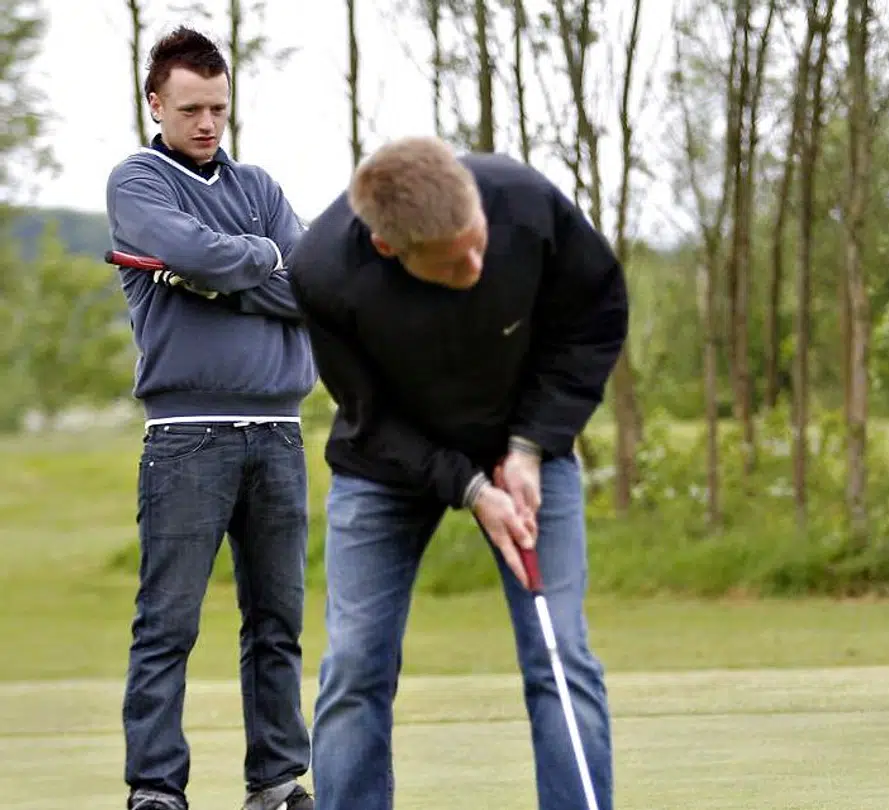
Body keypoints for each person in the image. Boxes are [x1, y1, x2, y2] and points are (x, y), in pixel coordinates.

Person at [285, 135, 627, 810]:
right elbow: (371, 418)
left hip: (524, 443)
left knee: (560, 655)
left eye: (480, 242)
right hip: (388, 461)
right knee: (355, 664)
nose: (479, 263)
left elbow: (594, 319)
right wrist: (471, 490)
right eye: (454, 262)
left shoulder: (525, 202)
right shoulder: (324, 271)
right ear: (390, 249)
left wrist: (531, 445)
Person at [104, 26, 316, 810]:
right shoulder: (137, 181)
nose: (206, 123)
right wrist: (257, 260)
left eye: (218, 108)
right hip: (186, 439)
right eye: (190, 108)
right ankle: (156, 789)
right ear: (155, 103)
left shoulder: (257, 186)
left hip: (279, 437)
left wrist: (221, 271)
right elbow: (200, 253)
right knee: (168, 625)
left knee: (277, 623)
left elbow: (313, 290)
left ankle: (275, 782)